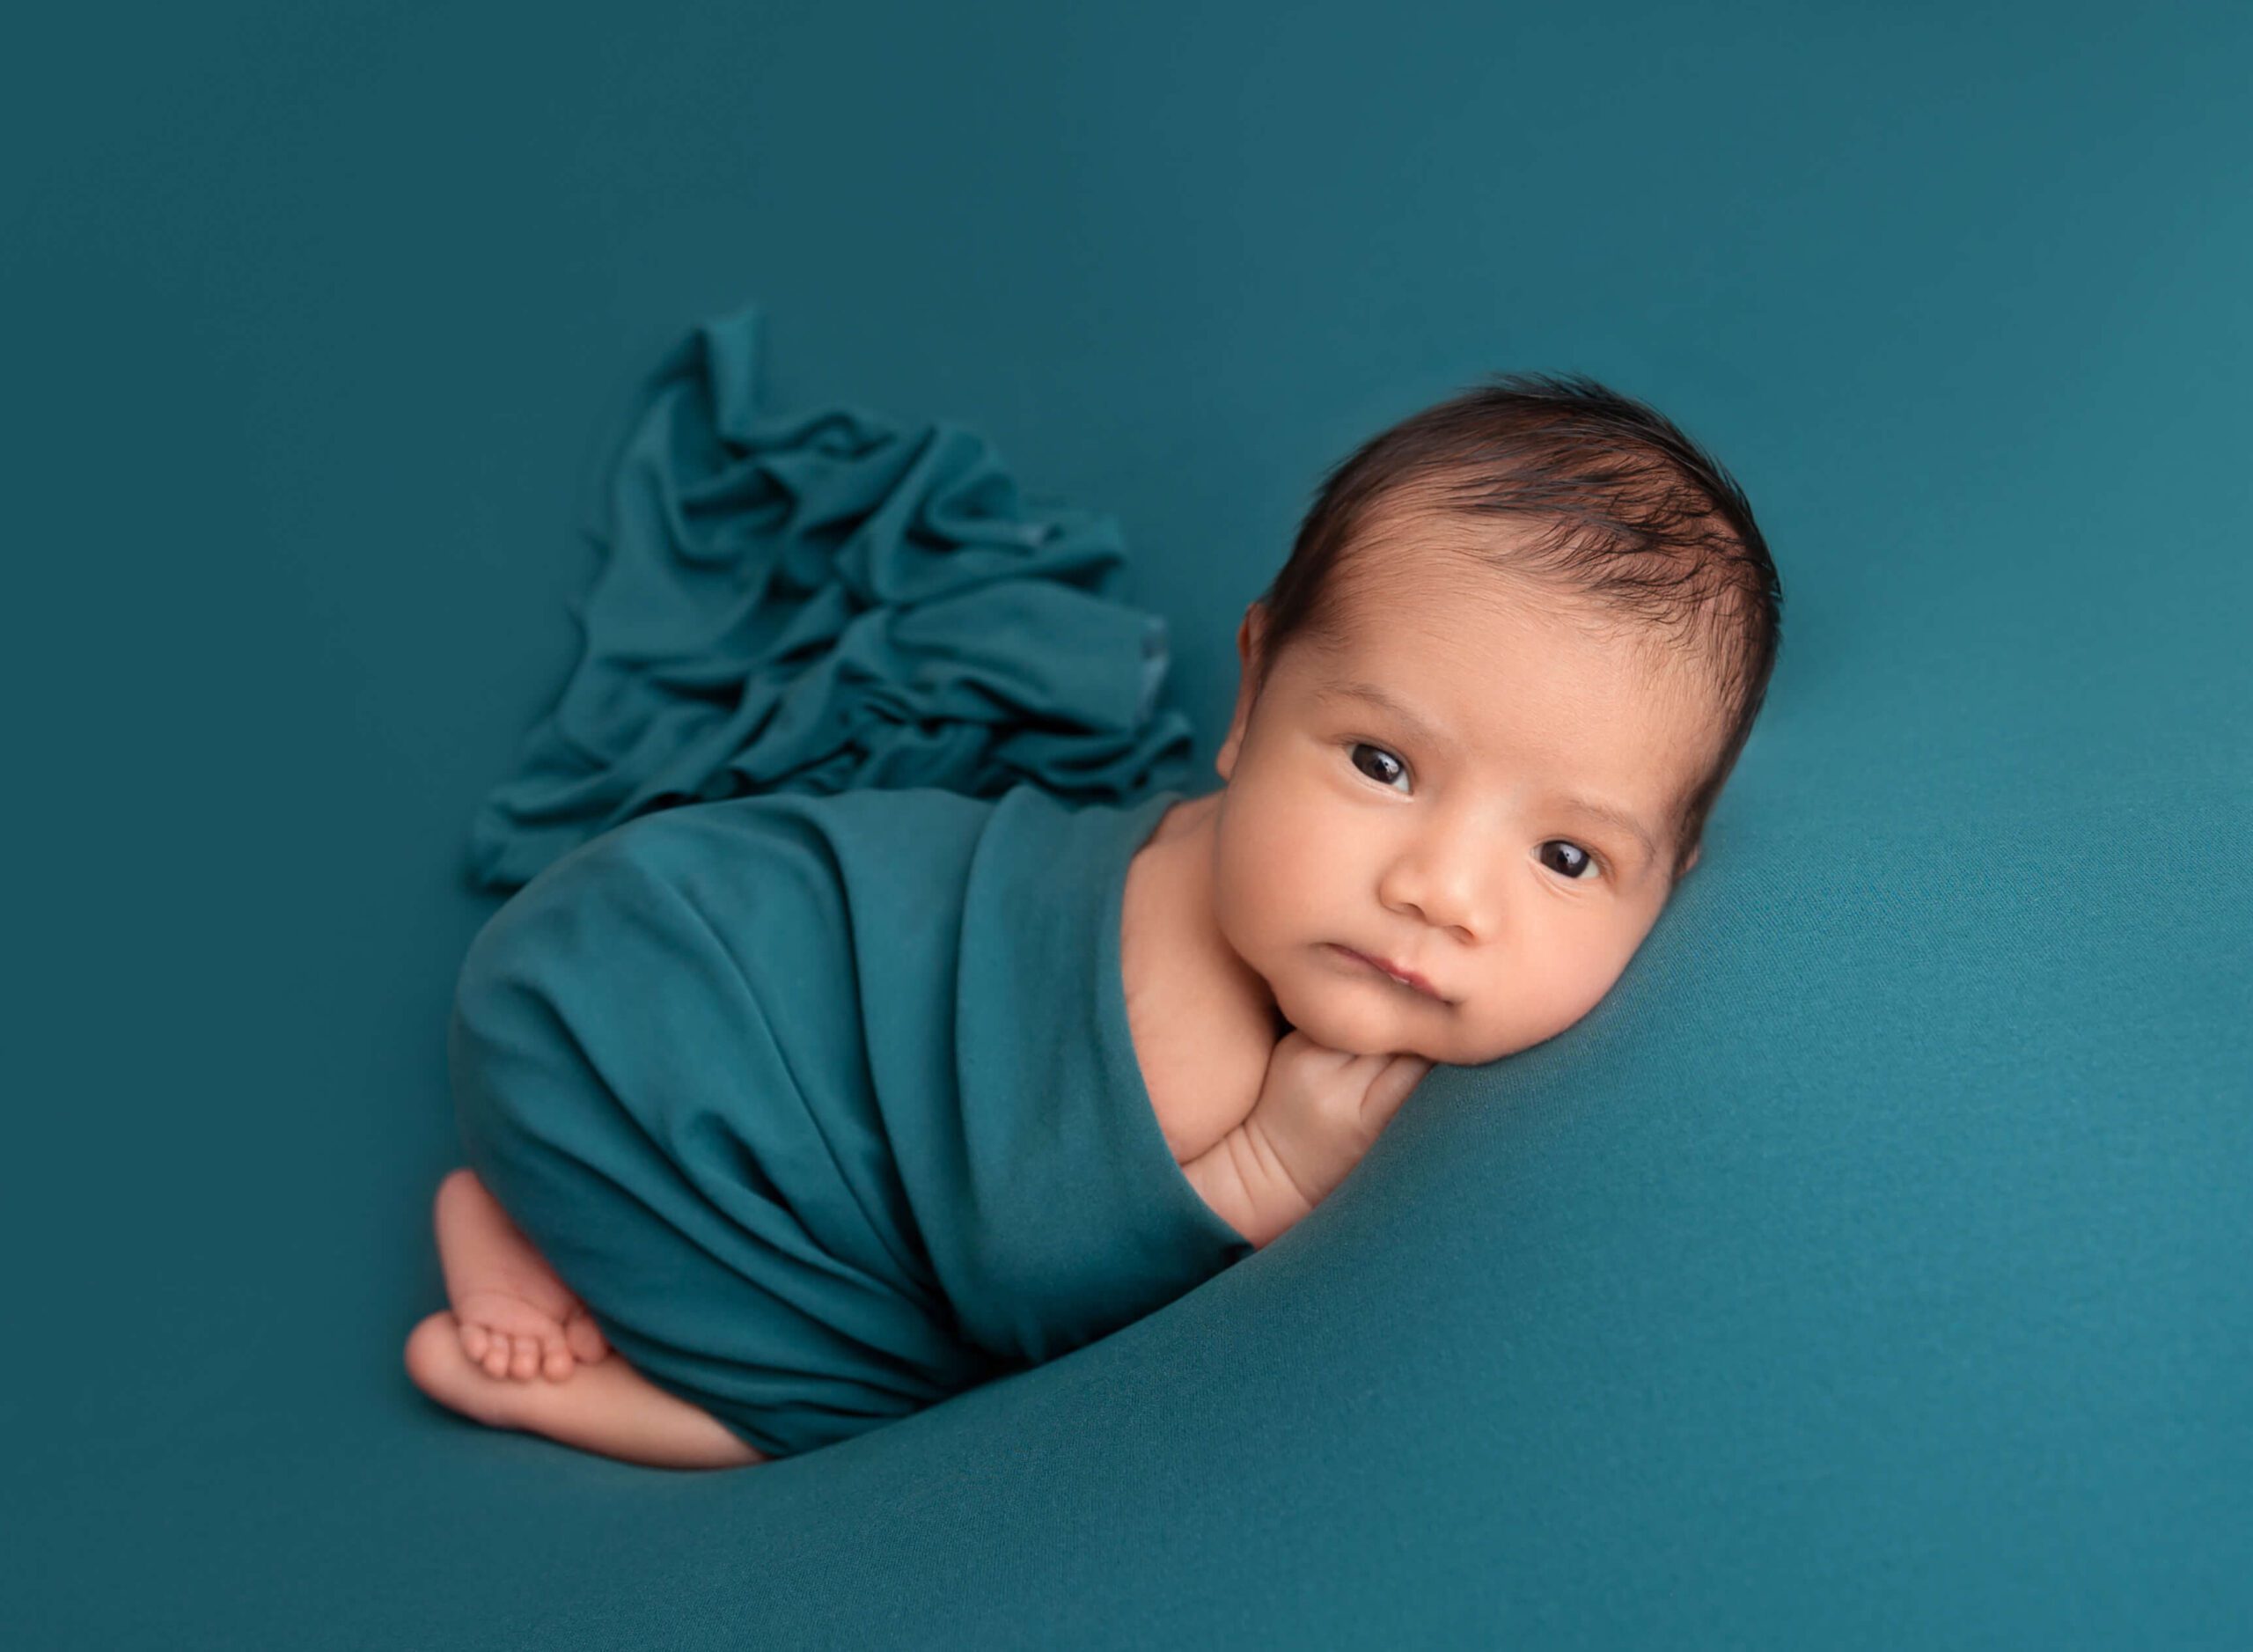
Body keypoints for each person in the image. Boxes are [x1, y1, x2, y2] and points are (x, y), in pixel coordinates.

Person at [403, 370, 1784, 1469]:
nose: (1439, 888)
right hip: (631, 1028)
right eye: (1381, 765)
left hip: (672, 922)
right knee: (865, 1400)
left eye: (1564, 853)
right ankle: (576, 1358)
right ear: (1250, 701)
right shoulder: (1186, 1036)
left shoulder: (1251, 867)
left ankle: (531, 1214)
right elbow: (1020, 1288)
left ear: (1675, 869)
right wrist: (1258, 1174)